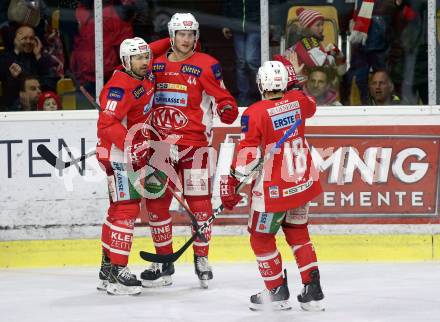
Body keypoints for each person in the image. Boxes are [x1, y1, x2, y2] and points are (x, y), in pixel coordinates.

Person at [141, 12, 239, 289]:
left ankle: (202, 258)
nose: (186, 39)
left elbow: (223, 99)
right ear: (171, 36)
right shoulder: (154, 66)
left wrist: (227, 108)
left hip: (195, 147)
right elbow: (136, 79)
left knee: (199, 204)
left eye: (191, 34)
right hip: (160, 147)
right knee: (156, 204)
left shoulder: (207, 65)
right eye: (181, 34)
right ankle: (164, 262)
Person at [219, 61, 324, 311]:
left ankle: (275, 290)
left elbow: (248, 153)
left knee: (261, 237)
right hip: (302, 183)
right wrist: (295, 88)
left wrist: (232, 181)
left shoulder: (254, 112)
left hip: (273, 191)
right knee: (298, 233)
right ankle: (313, 289)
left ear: (260, 84)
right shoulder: (298, 101)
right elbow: (311, 107)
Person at [95, 37, 155, 296]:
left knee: (117, 209)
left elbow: (159, 48)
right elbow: (106, 125)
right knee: (126, 209)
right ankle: (119, 271)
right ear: (125, 61)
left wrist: (173, 41)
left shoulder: (142, 77)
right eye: (138, 58)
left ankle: (107, 269)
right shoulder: (119, 87)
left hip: (129, 152)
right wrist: (131, 146)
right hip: (118, 156)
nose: (144, 62)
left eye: (146, 56)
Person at [0, 25, 57, 110]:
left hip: (41, 104)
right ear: (16, 40)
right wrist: (16, 52)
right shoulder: (6, 58)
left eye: (31, 38)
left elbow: (51, 83)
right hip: (14, 107)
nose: (28, 41)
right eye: (24, 38)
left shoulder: (41, 58)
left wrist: (38, 56)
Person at [284, 7, 346, 79]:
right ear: (307, 28)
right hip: (300, 85)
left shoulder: (310, 41)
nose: (322, 28)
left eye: (322, 24)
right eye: (318, 25)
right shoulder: (307, 43)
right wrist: (334, 54)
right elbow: (321, 68)